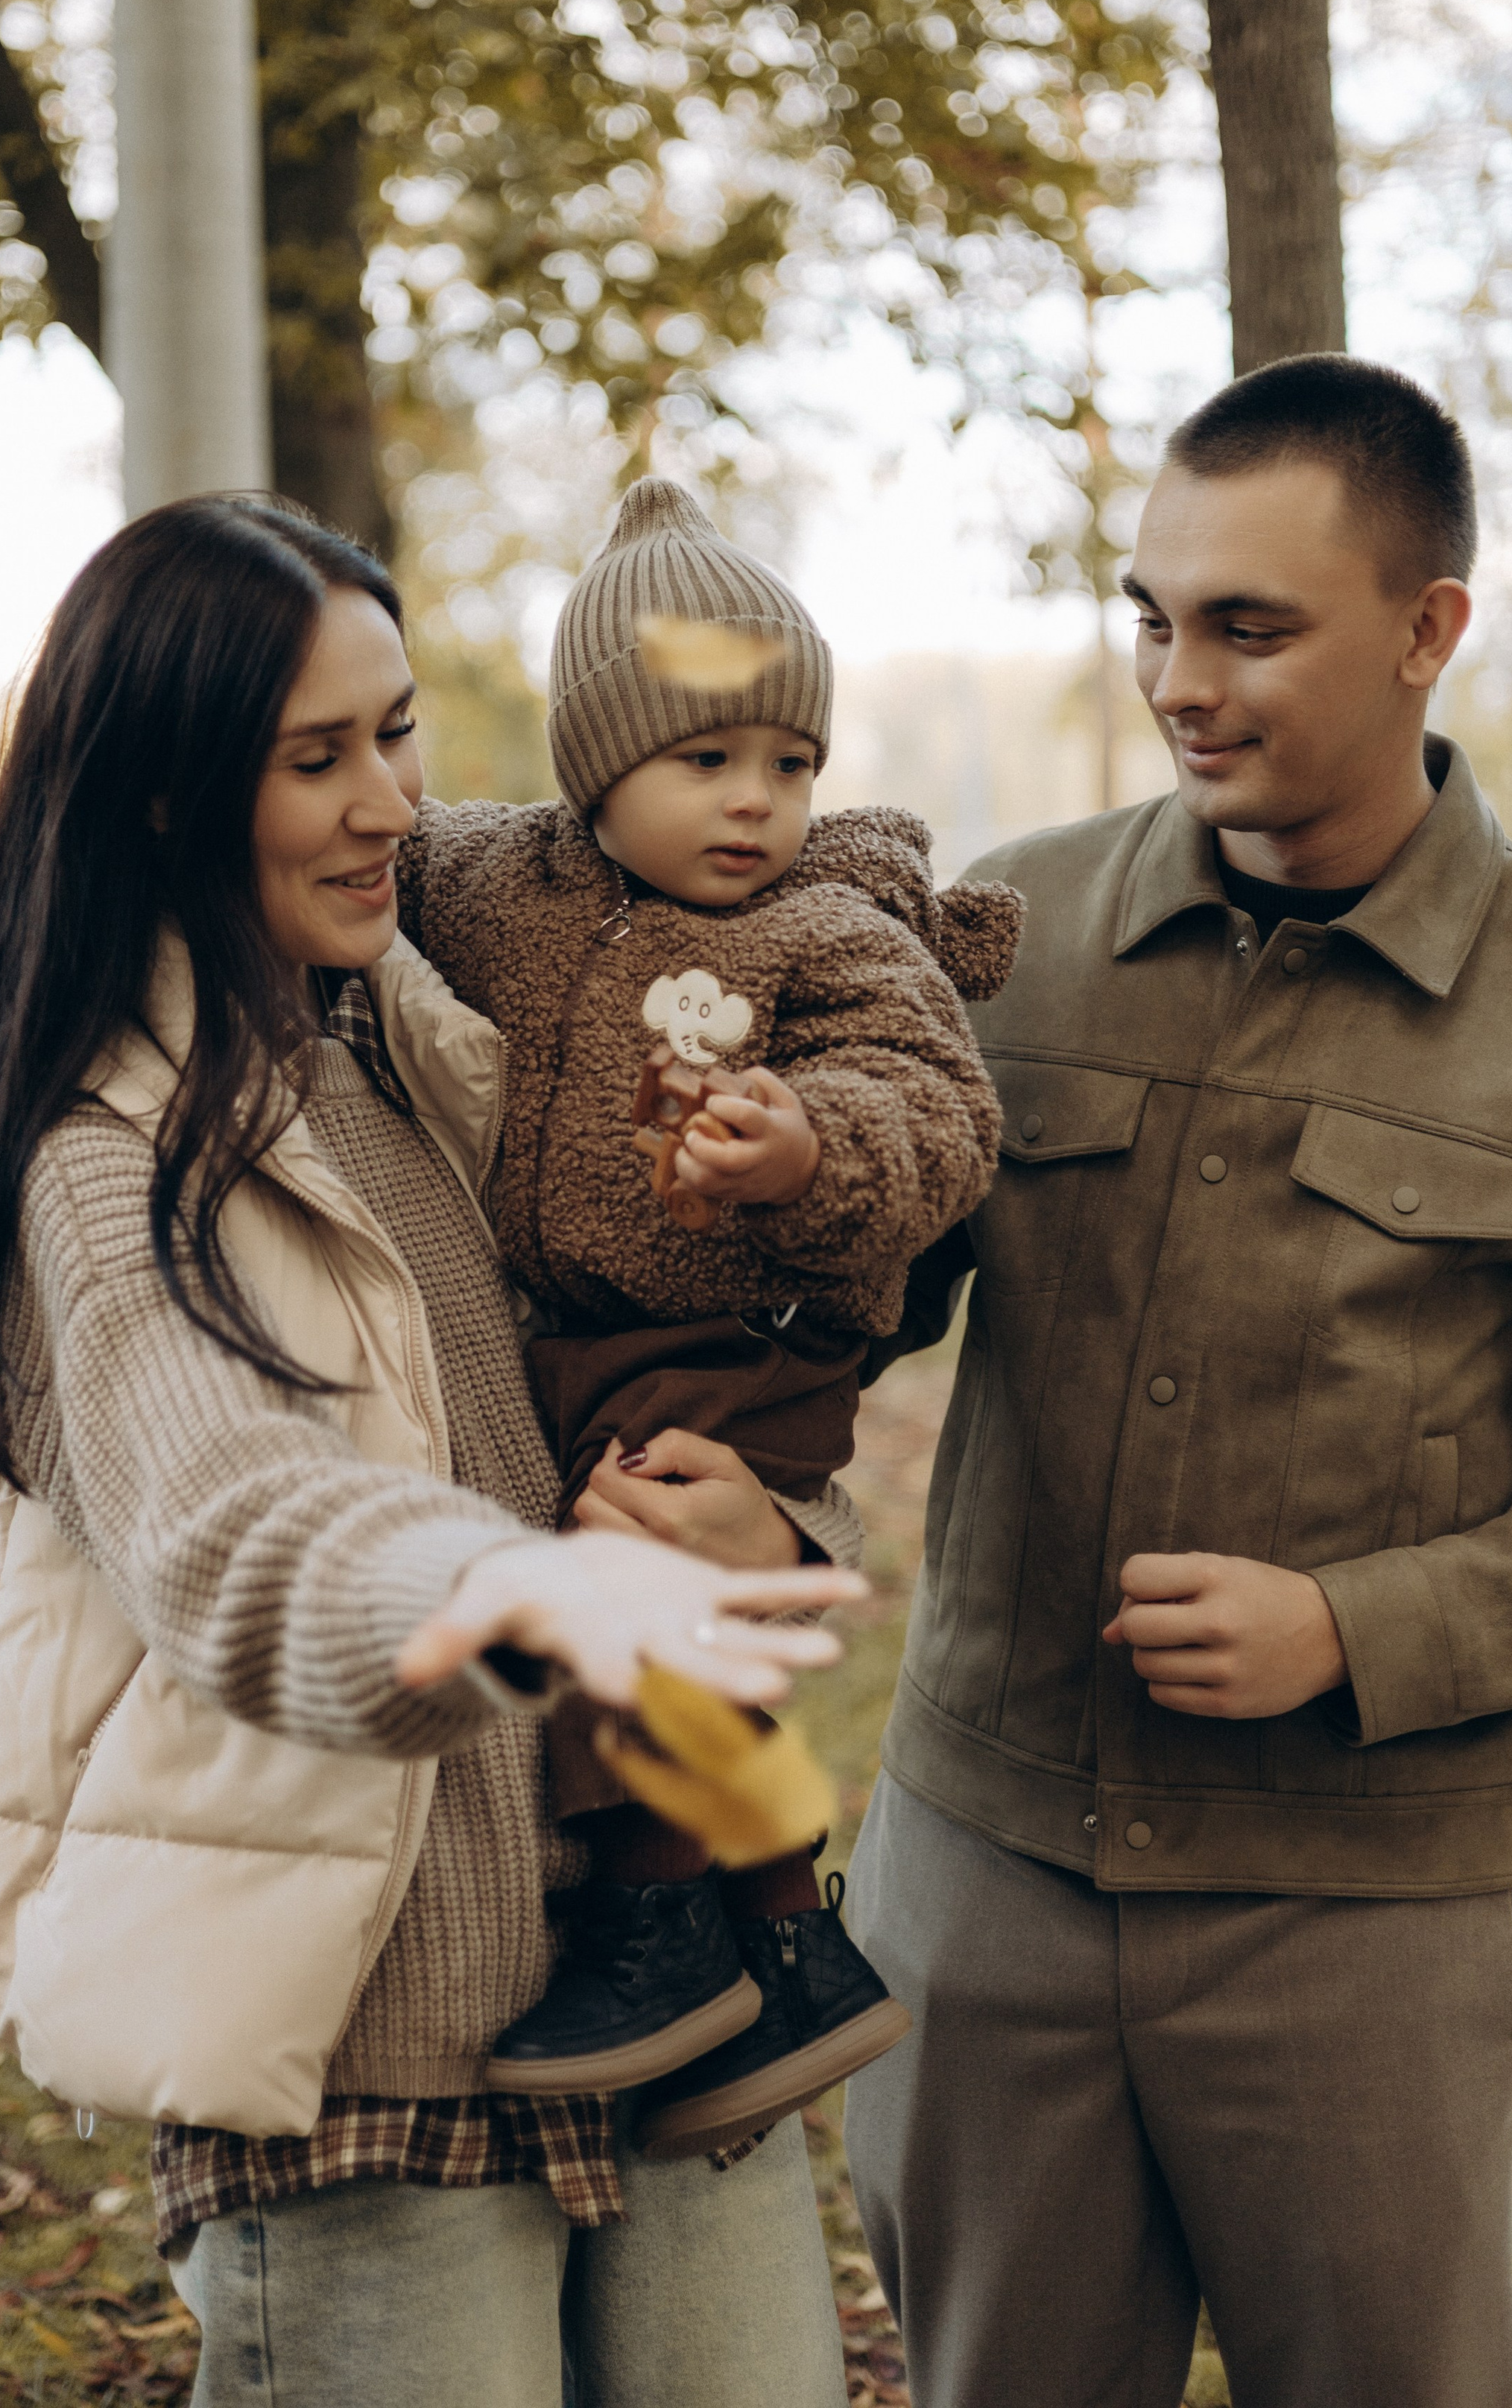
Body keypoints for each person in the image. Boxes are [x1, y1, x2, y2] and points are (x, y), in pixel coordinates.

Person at [0, 496, 863, 2408]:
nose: (389, 797)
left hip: (652, 1985)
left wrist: (751, 1527)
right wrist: (507, 1583)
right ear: (159, 795)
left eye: (394, 731)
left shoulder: (434, 1043)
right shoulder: (92, 1158)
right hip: (358, 2048)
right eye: (314, 757)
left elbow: (632, 1377)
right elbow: (233, 1528)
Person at [842, 354, 1512, 2408]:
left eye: (1250, 627)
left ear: (1431, 629)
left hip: (1359, 1924)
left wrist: (1354, 1627)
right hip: (985, 1894)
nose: (1181, 680)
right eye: (1153, 616)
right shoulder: (1010, 936)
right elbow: (849, 1314)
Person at [392, 475, 1020, 2156]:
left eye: (789, 762)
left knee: (636, 1556)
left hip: (753, 1329)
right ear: (595, 765)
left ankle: (659, 1919)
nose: (756, 801)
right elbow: (376, 856)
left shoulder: (831, 926)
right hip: (583, 1318)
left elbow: (940, 1111)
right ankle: (797, 1955)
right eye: (704, 759)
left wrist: (807, 1146)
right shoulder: (494, 885)